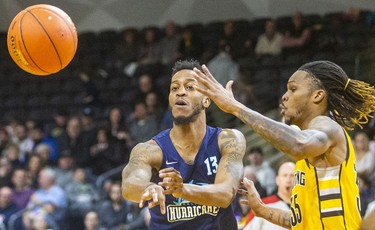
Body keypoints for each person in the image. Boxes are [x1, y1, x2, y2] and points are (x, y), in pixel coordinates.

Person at [193, 60, 375, 229]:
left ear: (318, 95)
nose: (284, 96)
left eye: (293, 89)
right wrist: (261, 209)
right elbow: (300, 220)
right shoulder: (311, 156)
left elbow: (298, 145)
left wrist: (235, 107)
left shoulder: (327, 126)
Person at [121, 60, 246, 229]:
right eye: (174, 88)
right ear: (170, 99)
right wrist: (148, 187)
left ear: (206, 100)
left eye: (189, 87)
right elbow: (129, 184)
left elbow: (225, 194)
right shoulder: (150, 150)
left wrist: (181, 190)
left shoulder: (228, 140)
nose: (180, 92)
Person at [243, 162, 295, 230]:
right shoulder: (261, 205)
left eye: (293, 176)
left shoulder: (307, 205)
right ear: (277, 180)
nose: (288, 180)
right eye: (285, 175)